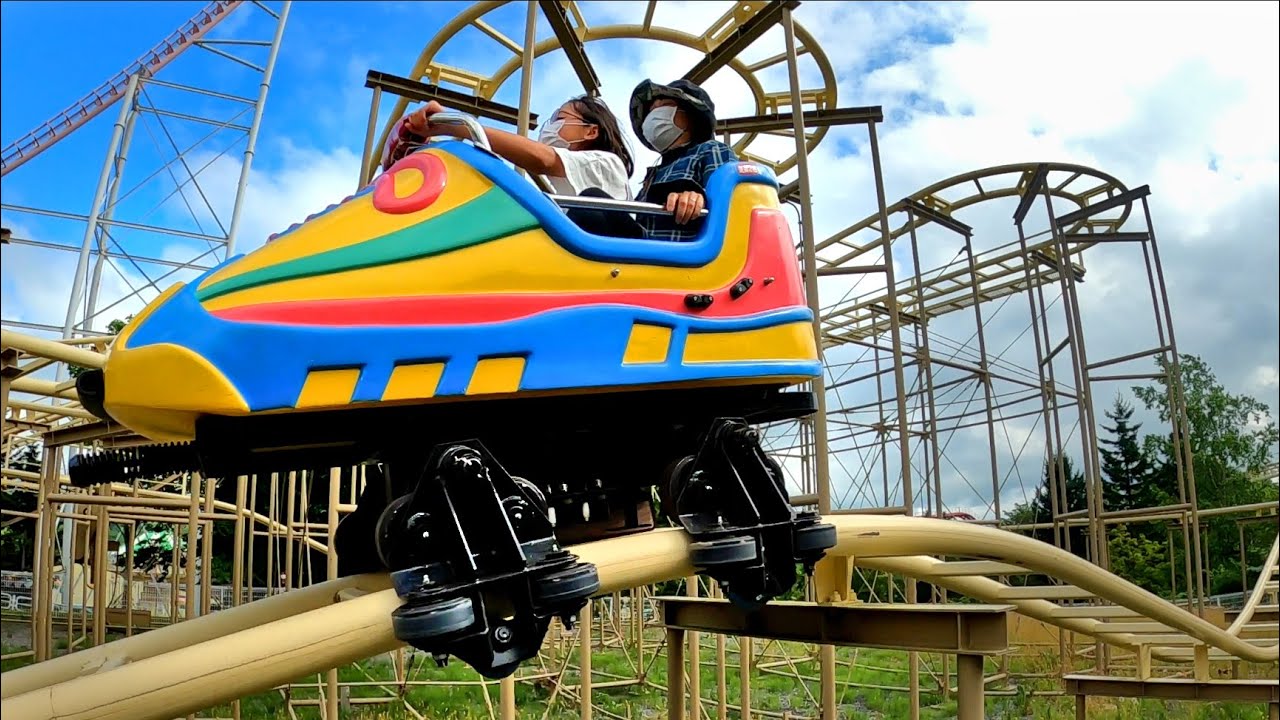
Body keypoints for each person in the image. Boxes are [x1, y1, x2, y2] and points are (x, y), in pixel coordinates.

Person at [381, 95, 635, 235]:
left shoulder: (606, 164)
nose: (550, 127)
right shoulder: (562, 189)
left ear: (590, 131)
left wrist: (451, 125)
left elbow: (542, 158)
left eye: (560, 118)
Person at [627, 78, 739, 242]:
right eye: (651, 111)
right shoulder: (654, 175)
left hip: (689, 254)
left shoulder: (711, 150)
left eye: (664, 105)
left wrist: (699, 200)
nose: (653, 115)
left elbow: (733, 204)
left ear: (690, 115)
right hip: (644, 252)